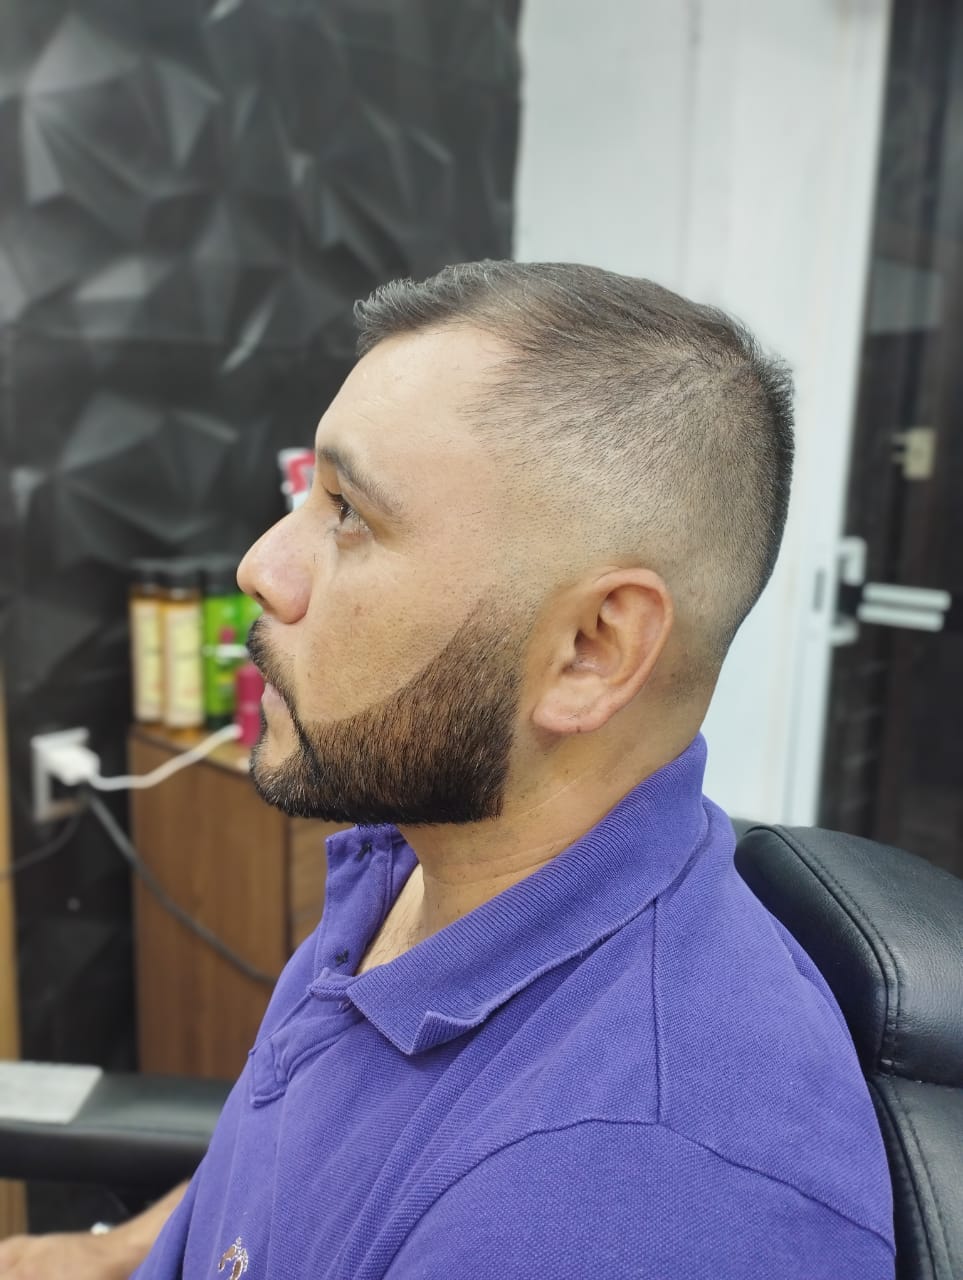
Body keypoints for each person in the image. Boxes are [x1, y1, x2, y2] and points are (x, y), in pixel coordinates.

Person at [0, 262, 895, 1279]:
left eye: (350, 513)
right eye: (308, 496)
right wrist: (104, 1253)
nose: (261, 567)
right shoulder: (427, 851)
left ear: (590, 650)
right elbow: (301, 1141)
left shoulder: (612, 1202)